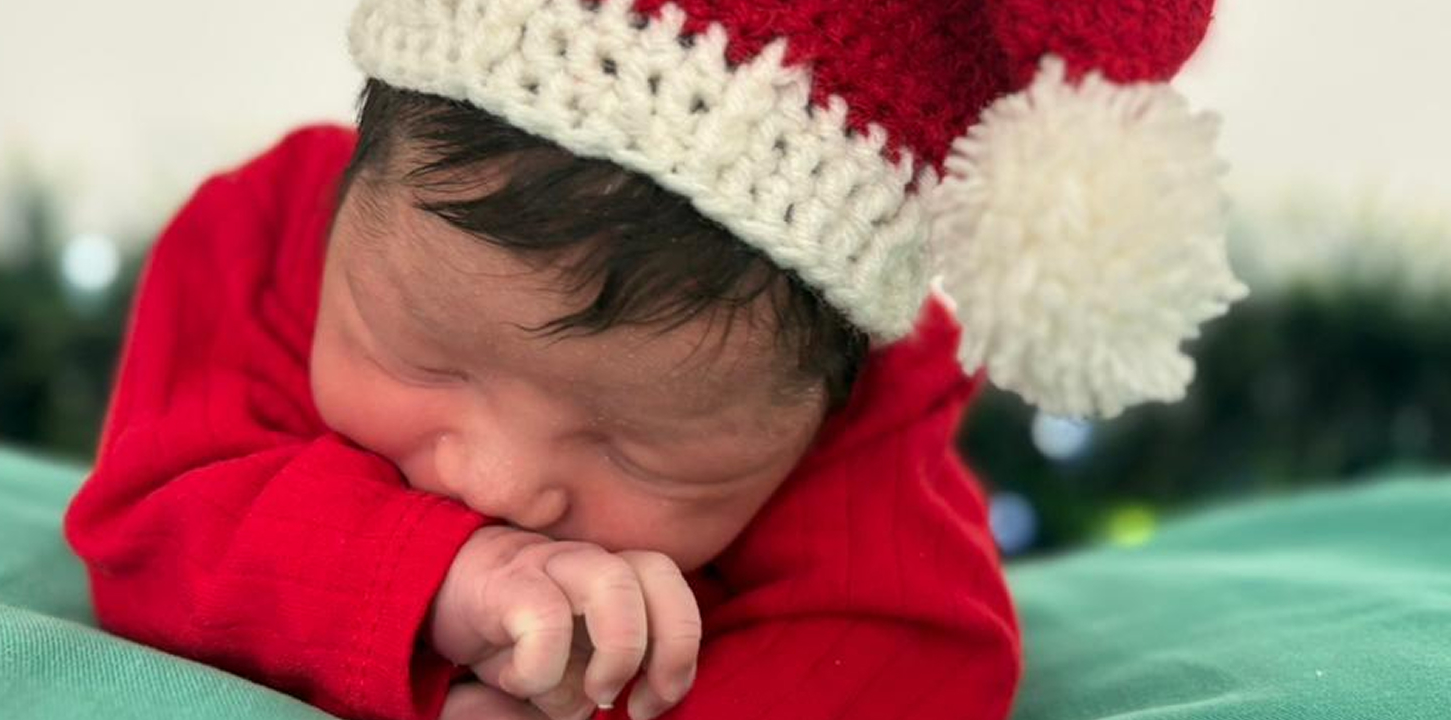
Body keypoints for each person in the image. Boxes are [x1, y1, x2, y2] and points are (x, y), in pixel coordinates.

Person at [64, 1, 1242, 719]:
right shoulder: (263, 239)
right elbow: (155, 519)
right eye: (428, 357)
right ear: (353, 192)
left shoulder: (863, 429)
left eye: (636, 447)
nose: (496, 483)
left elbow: (910, 660)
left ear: (822, 406)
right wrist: (440, 580)